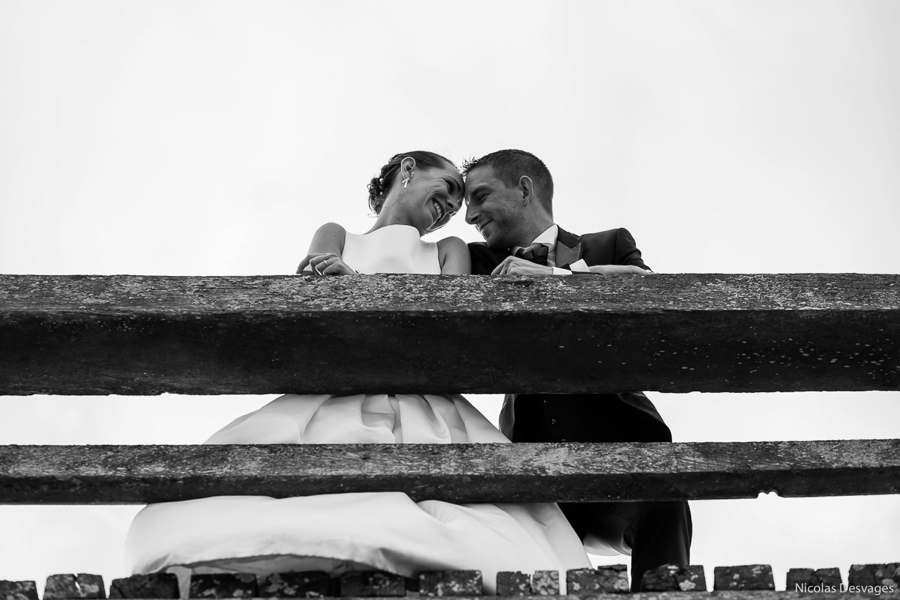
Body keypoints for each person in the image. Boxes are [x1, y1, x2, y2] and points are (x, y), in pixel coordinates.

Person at [124, 151, 592, 595]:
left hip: (422, 400)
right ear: (408, 170)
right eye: (448, 188)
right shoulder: (336, 233)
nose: (452, 207)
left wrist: (360, 293)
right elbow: (308, 295)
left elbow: (450, 316)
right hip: (336, 391)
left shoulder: (449, 248)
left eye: (458, 204)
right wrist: (333, 286)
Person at [462, 149, 692, 592]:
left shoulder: (607, 243)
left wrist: (558, 279)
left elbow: (648, 288)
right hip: (531, 472)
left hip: (625, 451)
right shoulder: (476, 261)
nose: (470, 214)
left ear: (525, 188)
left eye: (481, 196)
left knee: (666, 498)